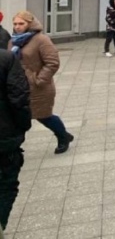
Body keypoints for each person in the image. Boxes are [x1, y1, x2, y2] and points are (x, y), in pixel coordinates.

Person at [10, 11, 73, 154]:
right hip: (18, 86)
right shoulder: (13, 40)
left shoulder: (41, 40)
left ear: (30, 24)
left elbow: (52, 62)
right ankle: (13, 146)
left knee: (43, 116)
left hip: (38, 87)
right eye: (15, 24)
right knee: (16, 117)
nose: (17, 27)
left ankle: (63, 136)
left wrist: (38, 80)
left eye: (21, 23)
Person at [0, 49, 31, 232]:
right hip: (4, 136)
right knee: (6, 185)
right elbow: (19, 98)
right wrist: (22, 126)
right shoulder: (6, 58)